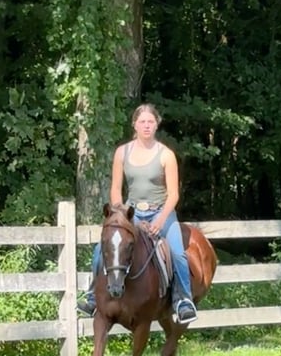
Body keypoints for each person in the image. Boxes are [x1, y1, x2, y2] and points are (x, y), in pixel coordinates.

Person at [77, 103, 198, 324]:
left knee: (178, 252)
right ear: (134, 124)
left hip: (160, 211)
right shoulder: (122, 152)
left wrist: (160, 221)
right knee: (100, 249)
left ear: (156, 124)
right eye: (142, 122)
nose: (146, 126)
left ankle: (183, 300)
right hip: (131, 212)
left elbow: (173, 195)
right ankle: (93, 295)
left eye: (150, 122)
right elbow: (115, 188)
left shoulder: (166, 155)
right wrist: (119, 214)